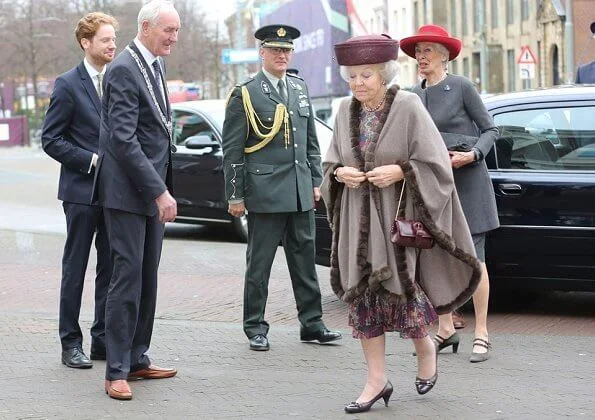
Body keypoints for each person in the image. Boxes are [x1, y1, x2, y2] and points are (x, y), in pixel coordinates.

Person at [322, 34, 481, 413]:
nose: (358, 84)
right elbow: (329, 165)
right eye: (352, 77)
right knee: (363, 300)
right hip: (356, 223)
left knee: (402, 296)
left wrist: (400, 171)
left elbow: (436, 164)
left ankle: (425, 347)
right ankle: (376, 380)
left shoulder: (408, 106)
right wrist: (340, 173)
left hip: (396, 221)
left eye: (366, 75)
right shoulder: (344, 110)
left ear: (384, 74)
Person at [222, 24, 342, 352]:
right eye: (275, 50)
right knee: (259, 265)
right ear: (262, 53)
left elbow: (310, 142)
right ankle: (255, 327)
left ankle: (312, 323)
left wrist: (315, 181)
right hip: (263, 192)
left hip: (300, 190)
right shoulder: (246, 93)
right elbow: (232, 149)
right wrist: (235, 195)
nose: (282, 55)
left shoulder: (300, 88)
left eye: (286, 50)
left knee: (304, 262)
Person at [92, 0, 179, 400]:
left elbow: (156, 131)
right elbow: (123, 141)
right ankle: (115, 371)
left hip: (147, 191)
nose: (174, 38)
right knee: (125, 280)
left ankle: (137, 358)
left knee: (147, 279)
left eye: (176, 31)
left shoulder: (155, 64)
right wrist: (159, 190)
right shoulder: (125, 68)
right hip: (128, 194)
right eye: (169, 31)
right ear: (146, 28)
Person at [400, 24, 500, 363]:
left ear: (444, 55)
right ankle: (445, 329)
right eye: (418, 51)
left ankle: (482, 333)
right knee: (437, 257)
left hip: (468, 183)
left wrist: (473, 155)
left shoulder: (461, 87)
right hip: (434, 186)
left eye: (427, 50)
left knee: (475, 259)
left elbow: (490, 129)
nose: (420, 56)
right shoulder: (413, 94)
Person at [41, 12, 118, 369]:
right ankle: (70, 344)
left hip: (116, 194)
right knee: (76, 269)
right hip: (80, 193)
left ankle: (101, 339)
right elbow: (51, 139)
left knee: (110, 268)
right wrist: (91, 160)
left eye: (114, 38)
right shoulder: (68, 84)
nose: (112, 45)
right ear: (86, 43)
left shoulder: (118, 79)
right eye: (105, 39)